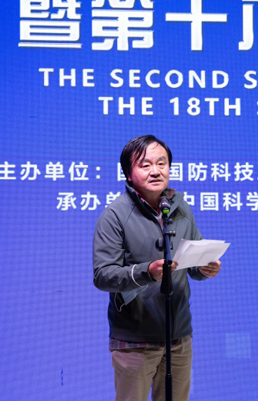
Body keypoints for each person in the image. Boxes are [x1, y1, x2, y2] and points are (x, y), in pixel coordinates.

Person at [93, 135, 221, 401]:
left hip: (178, 337)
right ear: (128, 174)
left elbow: (191, 262)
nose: (155, 171)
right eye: (145, 165)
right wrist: (147, 272)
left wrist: (203, 268)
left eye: (161, 163)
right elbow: (103, 275)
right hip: (135, 340)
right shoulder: (115, 215)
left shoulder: (180, 208)